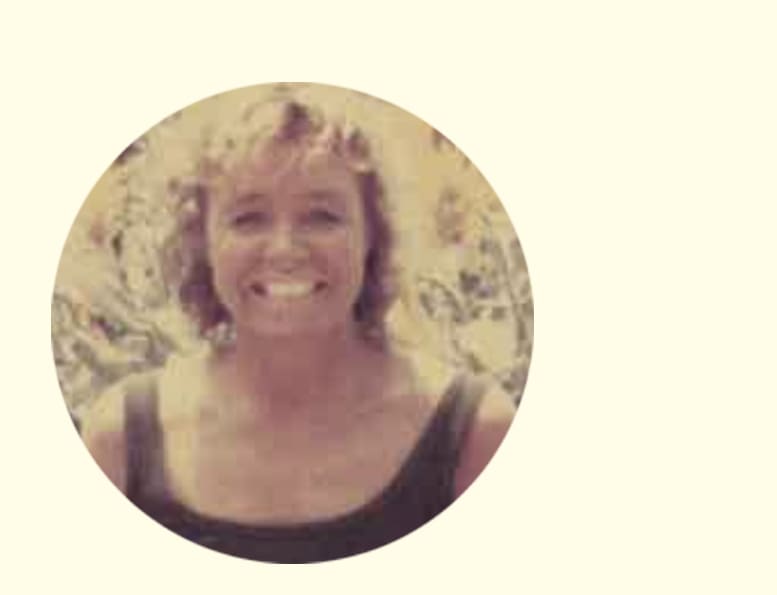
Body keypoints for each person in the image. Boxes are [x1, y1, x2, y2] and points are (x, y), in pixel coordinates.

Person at [81, 96, 515, 563]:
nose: (285, 249)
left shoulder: (472, 437)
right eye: (248, 219)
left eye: (322, 216)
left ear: (374, 235)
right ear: (200, 241)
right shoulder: (122, 442)